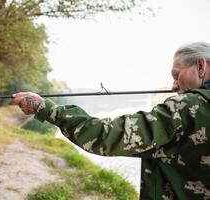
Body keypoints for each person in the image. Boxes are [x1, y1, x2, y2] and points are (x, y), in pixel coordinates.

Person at [11, 42, 210, 199]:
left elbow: (107, 137)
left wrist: (43, 107)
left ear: (200, 66)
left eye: (176, 75)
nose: (174, 85)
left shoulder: (189, 107)